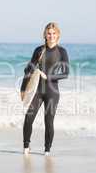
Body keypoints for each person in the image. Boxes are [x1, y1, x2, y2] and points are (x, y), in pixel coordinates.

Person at [20, 22, 69, 156]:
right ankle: (26, 147)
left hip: (52, 91)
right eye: (49, 33)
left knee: (48, 121)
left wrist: (49, 76)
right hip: (37, 90)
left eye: (54, 33)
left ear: (58, 35)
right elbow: (29, 70)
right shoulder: (39, 50)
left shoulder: (62, 52)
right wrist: (23, 88)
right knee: (28, 118)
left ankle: (47, 150)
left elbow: (66, 73)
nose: (51, 35)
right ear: (45, 35)